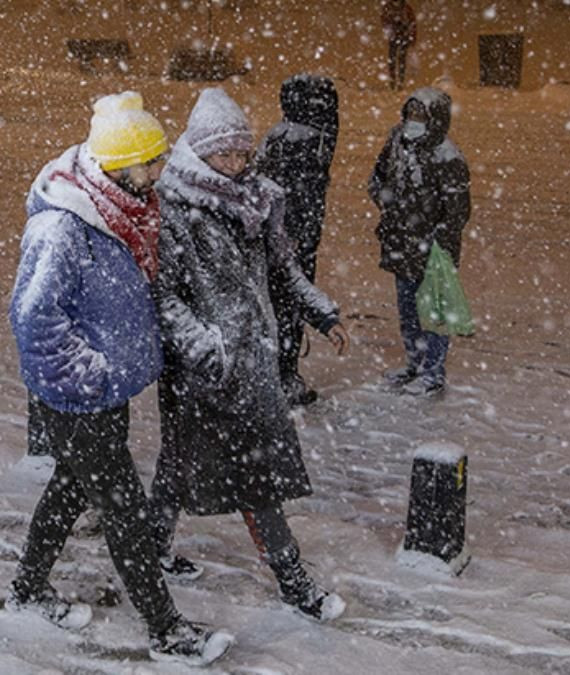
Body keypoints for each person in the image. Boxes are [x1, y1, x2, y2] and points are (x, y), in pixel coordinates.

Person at [7, 90, 232, 667]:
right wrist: (88, 373)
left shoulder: (123, 209)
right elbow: (34, 317)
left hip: (106, 388)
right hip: (77, 394)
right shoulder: (64, 226)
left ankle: (28, 588)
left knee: (71, 486)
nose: (159, 171)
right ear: (116, 165)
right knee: (124, 507)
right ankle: (165, 630)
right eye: (150, 162)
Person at [149, 87, 350, 622]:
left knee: (191, 464)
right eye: (225, 153)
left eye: (242, 153)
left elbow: (285, 268)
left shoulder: (256, 200)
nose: (236, 164)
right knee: (239, 474)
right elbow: (162, 295)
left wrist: (321, 312)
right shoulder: (176, 210)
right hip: (205, 371)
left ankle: (153, 545)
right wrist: (205, 347)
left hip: (252, 362)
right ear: (198, 151)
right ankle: (293, 581)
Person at [368, 87, 471, 396]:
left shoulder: (448, 156)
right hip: (401, 243)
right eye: (410, 114)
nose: (414, 121)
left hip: (432, 252)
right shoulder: (398, 140)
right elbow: (378, 175)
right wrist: (387, 202)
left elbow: (457, 211)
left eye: (421, 116)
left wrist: (437, 243)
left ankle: (433, 371)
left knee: (434, 314)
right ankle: (414, 362)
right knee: (408, 310)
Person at [256, 74, 339, 407]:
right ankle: (285, 376)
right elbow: (300, 198)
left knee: (279, 308)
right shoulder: (312, 141)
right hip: (291, 242)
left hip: (277, 238)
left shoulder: (278, 136)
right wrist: (298, 239)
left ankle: (278, 373)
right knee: (289, 310)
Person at [381, 0, 417, 89]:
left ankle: (397, 81)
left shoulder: (402, 7)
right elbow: (412, 22)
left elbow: (412, 22)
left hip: (401, 35)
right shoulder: (399, 7)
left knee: (398, 59)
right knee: (396, 59)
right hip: (398, 35)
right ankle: (395, 81)